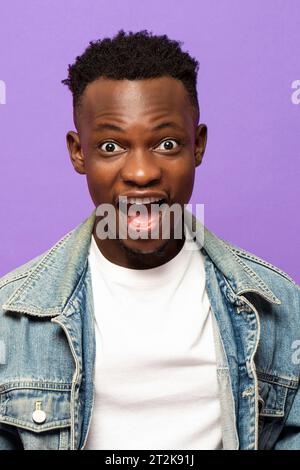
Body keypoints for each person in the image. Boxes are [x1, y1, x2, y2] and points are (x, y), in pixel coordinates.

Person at [0, 29, 299, 451]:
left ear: (198, 146)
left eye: (166, 143)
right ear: (78, 153)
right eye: (110, 145)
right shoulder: (11, 323)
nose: (141, 172)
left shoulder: (280, 311)